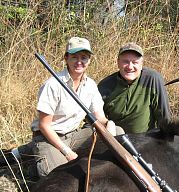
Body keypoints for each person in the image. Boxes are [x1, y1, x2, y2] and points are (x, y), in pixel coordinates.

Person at [28, 37, 122, 177]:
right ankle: (34, 162)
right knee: (58, 176)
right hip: (48, 138)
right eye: (74, 57)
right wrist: (67, 152)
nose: (79, 62)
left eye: (84, 57)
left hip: (73, 136)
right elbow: (44, 126)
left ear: (89, 60)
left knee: (118, 132)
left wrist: (109, 125)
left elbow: (99, 117)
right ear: (66, 58)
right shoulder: (53, 84)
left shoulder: (90, 85)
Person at [98, 42, 171, 134]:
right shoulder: (105, 85)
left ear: (141, 64)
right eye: (125, 61)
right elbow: (96, 119)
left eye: (135, 62)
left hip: (145, 141)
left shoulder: (152, 79)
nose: (130, 67)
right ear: (118, 63)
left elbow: (164, 117)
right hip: (116, 140)